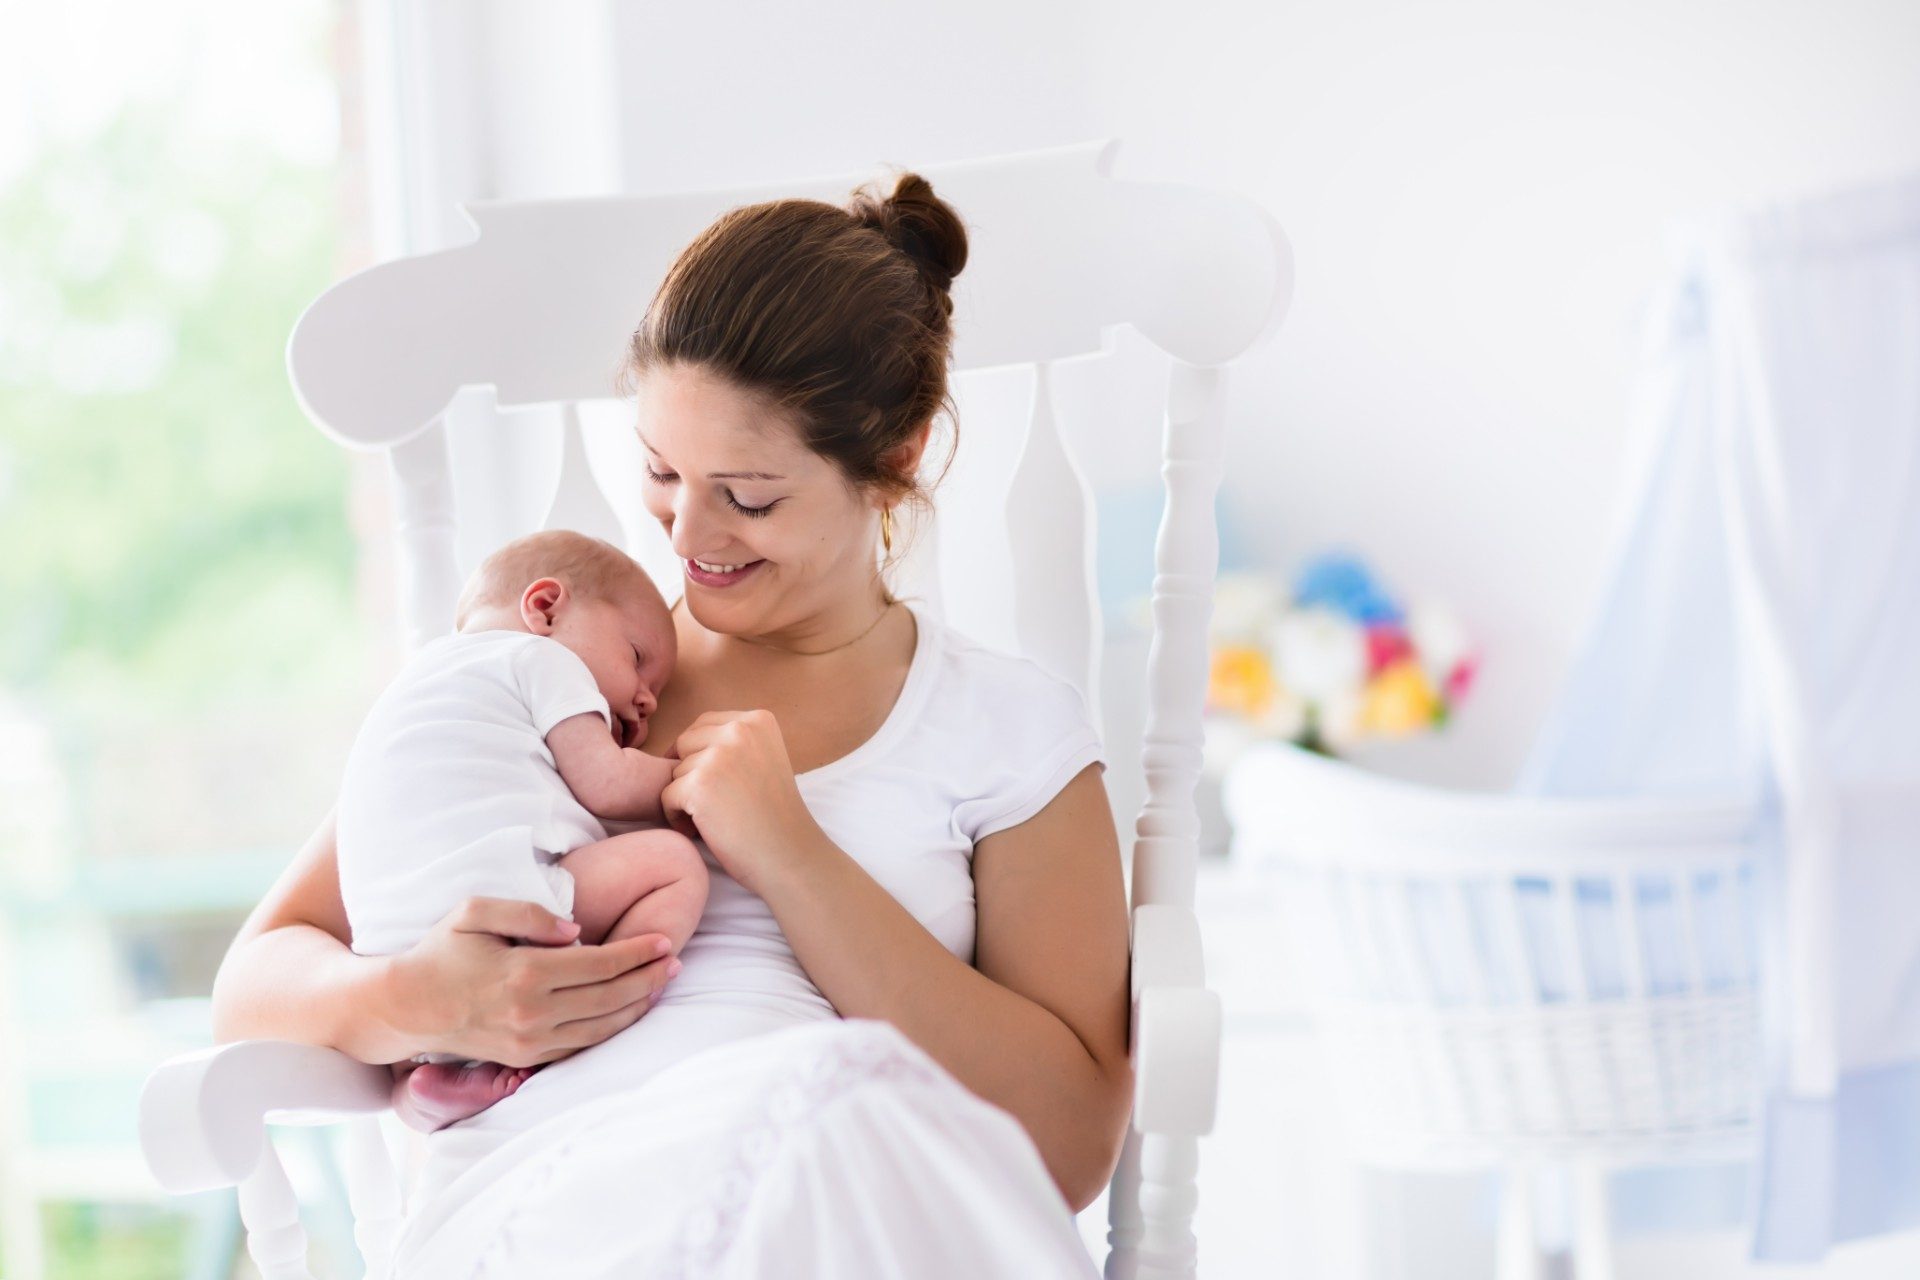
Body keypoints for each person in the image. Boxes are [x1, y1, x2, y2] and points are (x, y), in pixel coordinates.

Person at [211, 168, 1133, 1277]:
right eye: (657, 469)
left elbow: (1069, 1148)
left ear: (897, 458)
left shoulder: (1003, 726)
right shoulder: (550, 674)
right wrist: (412, 996)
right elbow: (254, 983)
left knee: (823, 1114)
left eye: (747, 494)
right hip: (550, 1205)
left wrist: (791, 853)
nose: (687, 532)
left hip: (841, 1200)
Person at [334, 528, 707, 1131]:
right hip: (505, 911)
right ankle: (601, 999)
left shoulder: (416, 683)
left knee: (427, 1038)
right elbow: (608, 784)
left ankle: (426, 1082)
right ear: (545, 608)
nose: (646, 702)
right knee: (673, 864)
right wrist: (693, 777)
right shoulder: (540, 658)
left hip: (397, 950)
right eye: (638, 660)